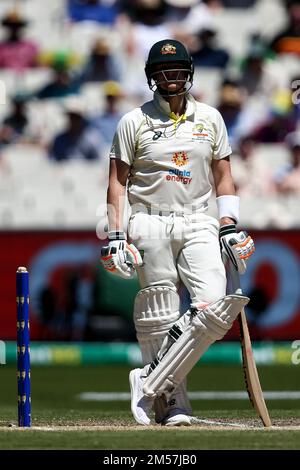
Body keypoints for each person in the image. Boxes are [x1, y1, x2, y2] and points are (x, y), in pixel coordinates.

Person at [100, 39, 255, 426]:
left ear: (189, 73)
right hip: (149, 218)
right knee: (159, 312)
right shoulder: (133, 122)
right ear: (153, 77)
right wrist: (116, 234)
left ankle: (149, 379)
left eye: (177, 70)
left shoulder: (211, 118)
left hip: (199, 218)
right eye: (163, 72)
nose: (171, 78)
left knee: (214, 307)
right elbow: (117, 183)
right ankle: (172, 402)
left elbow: (224, 176)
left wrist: (229, 225)